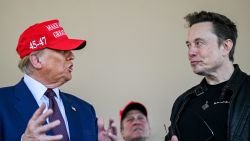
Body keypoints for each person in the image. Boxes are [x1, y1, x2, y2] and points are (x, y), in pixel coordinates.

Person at [0, 19, 117, 141]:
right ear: (36, 60)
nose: (72, 56)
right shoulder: (2, 103)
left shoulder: (85, 110)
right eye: (62, 51)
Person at [165, 11, 250, 141]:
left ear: (226, 46)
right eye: (189, 45)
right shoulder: (183, 102)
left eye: (199, 43)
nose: (190, 52)